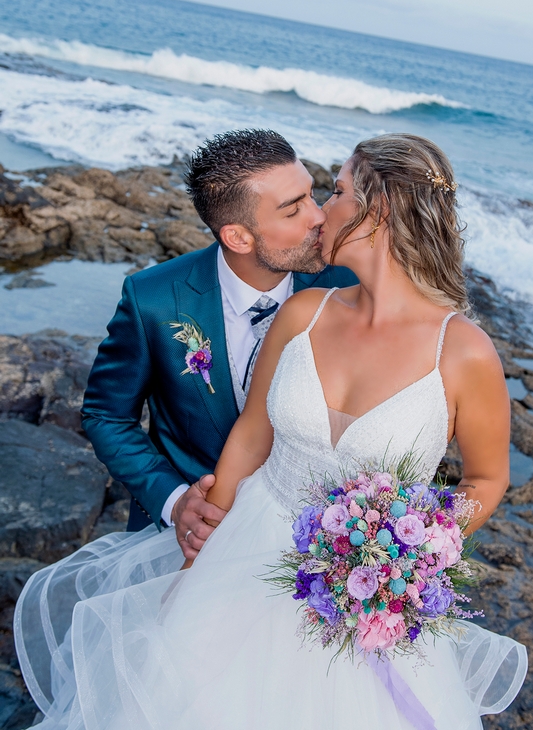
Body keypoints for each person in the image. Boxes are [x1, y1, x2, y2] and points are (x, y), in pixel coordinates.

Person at [15, 134, 527, 730]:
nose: (318, 214)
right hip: (240, 551)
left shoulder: (462, 350)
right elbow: (245, 433)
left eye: (329, 192)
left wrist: (410, 552)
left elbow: (487, 477)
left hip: (360, 588)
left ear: (380, 210)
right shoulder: (291, 311)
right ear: (239, 235)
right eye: (301, 203)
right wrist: (193, 556)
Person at [80, 128, 355, 561]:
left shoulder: (347, 285)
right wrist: (174, 502)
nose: (318, 217)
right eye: (292, 210)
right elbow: (105, 415)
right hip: (186, 542)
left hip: (308, 549)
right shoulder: (152, 298)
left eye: (311, 196)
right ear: (239, 237)